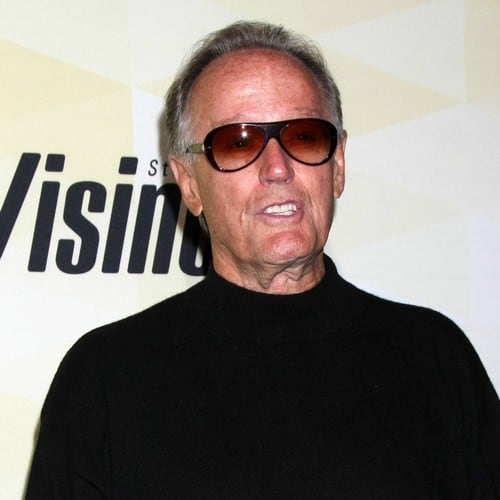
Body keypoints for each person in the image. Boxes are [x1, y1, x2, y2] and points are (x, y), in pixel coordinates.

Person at [25, 21, 499, 499]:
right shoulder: (105, 380)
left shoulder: (435, 359)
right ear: (189, 184)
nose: (278, 168)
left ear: (337, 166)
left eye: (304, 137)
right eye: (239, 142)